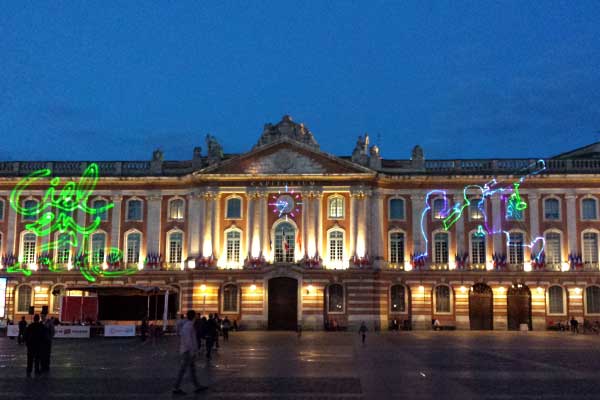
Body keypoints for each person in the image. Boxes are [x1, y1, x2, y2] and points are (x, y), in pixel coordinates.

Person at [172, 310, 207, 395]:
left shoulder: (189, 325)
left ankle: (197, 386)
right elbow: (188, 341)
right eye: (195, 315)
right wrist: (192, 351)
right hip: (187, 352)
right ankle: (176, 388)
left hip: (188, 351)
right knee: (183, 370)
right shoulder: (188, 326)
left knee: (192, 369)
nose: (196, 317)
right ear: (193, 316)